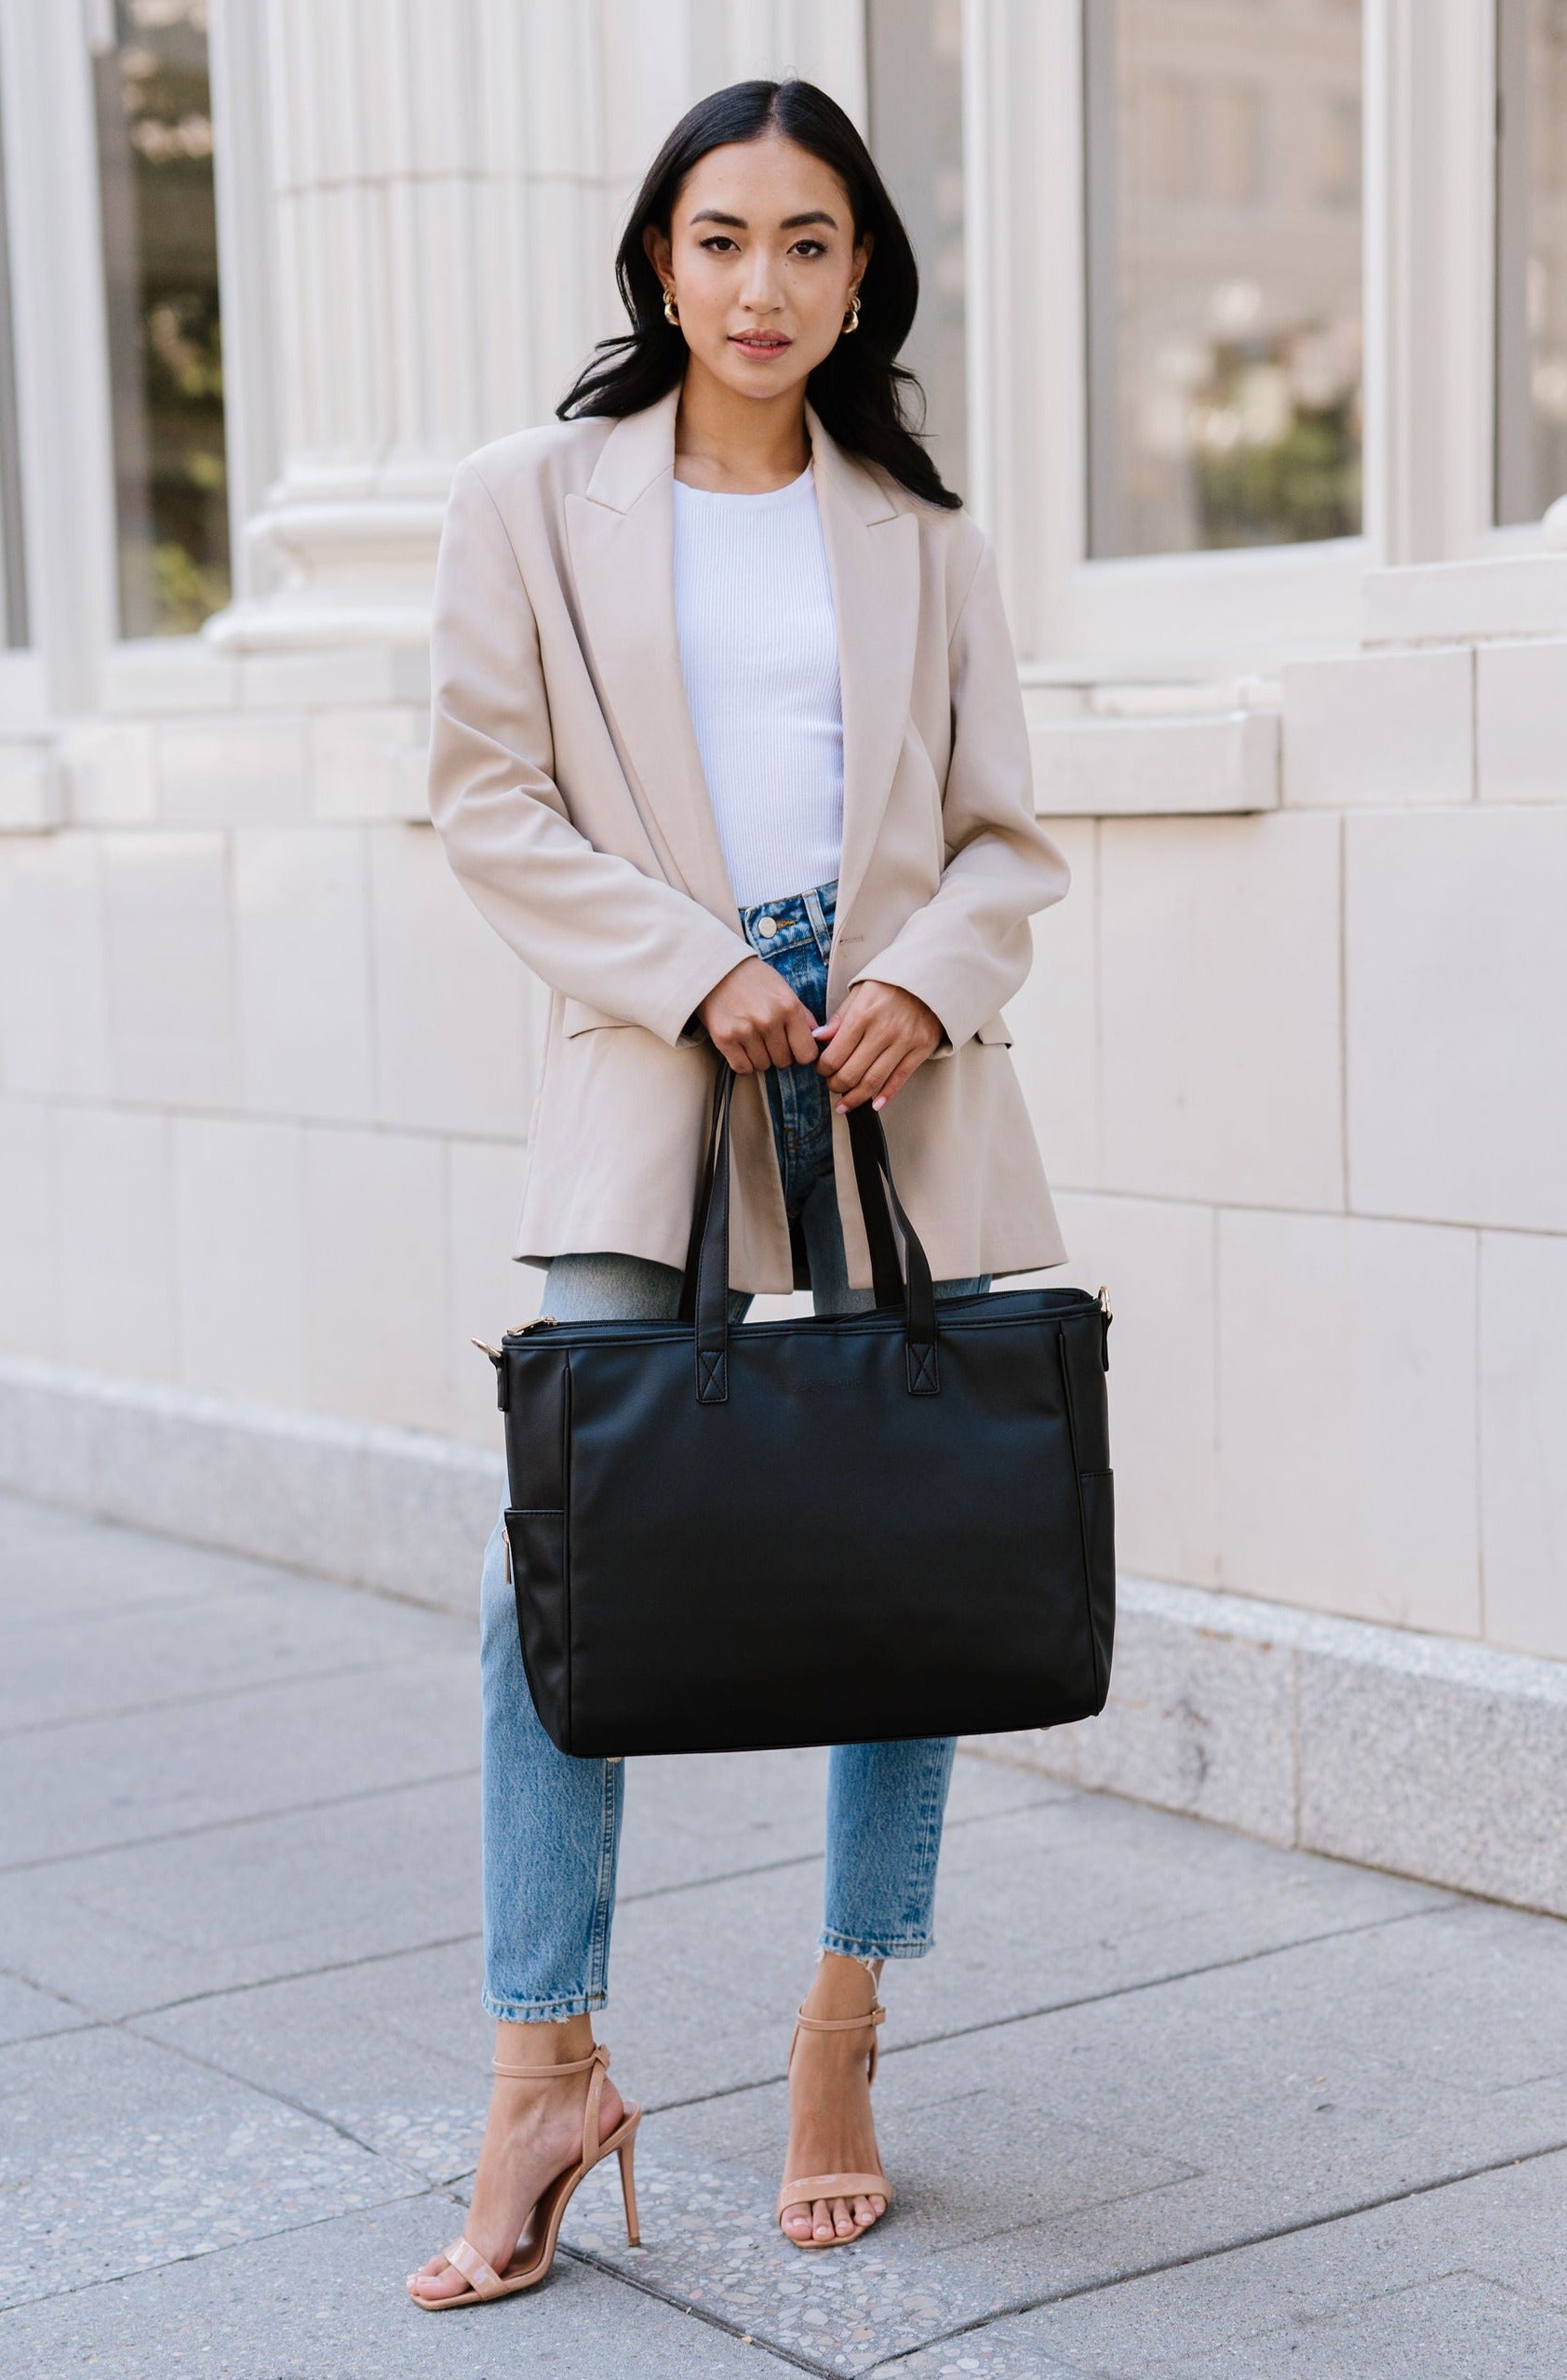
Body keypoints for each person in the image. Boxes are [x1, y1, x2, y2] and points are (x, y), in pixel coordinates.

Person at [409, 74, 1070, 2310]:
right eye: (719, 240)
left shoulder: (921, 526)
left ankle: (836, 2032)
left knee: (912, 1555)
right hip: (657, 1056)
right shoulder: (530, 498)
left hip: (889, 1067)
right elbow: (486, 804)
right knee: (553, 1572)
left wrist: (920, 975)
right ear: (657, 262)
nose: (760, 284)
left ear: (860, 268)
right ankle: (541, 2069)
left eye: (805, 242)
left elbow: (1003, 836)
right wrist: (697, 967)